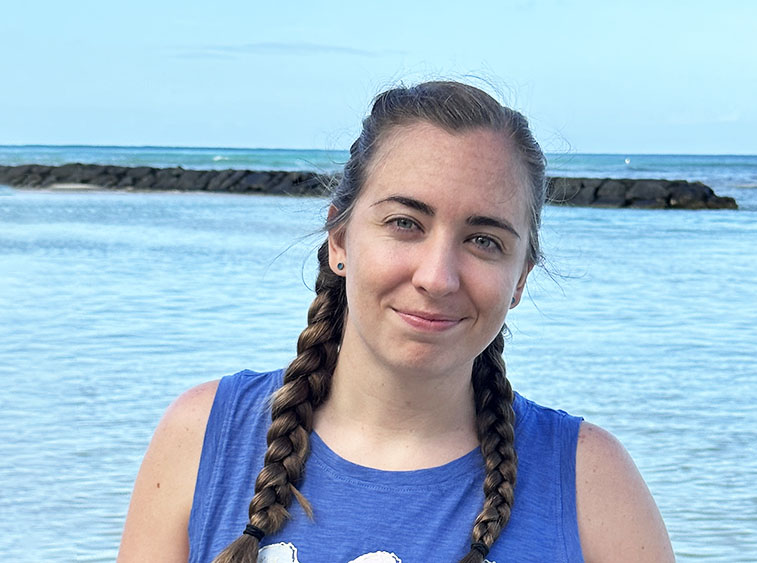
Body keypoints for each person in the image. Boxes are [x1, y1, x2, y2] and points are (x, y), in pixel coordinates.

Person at [118, 81, 674, 563]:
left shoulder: (590, 481)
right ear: (340, 239)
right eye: (406, 223)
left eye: (484, 241)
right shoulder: (205, 436)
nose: (438, 277)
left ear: (521, 277)